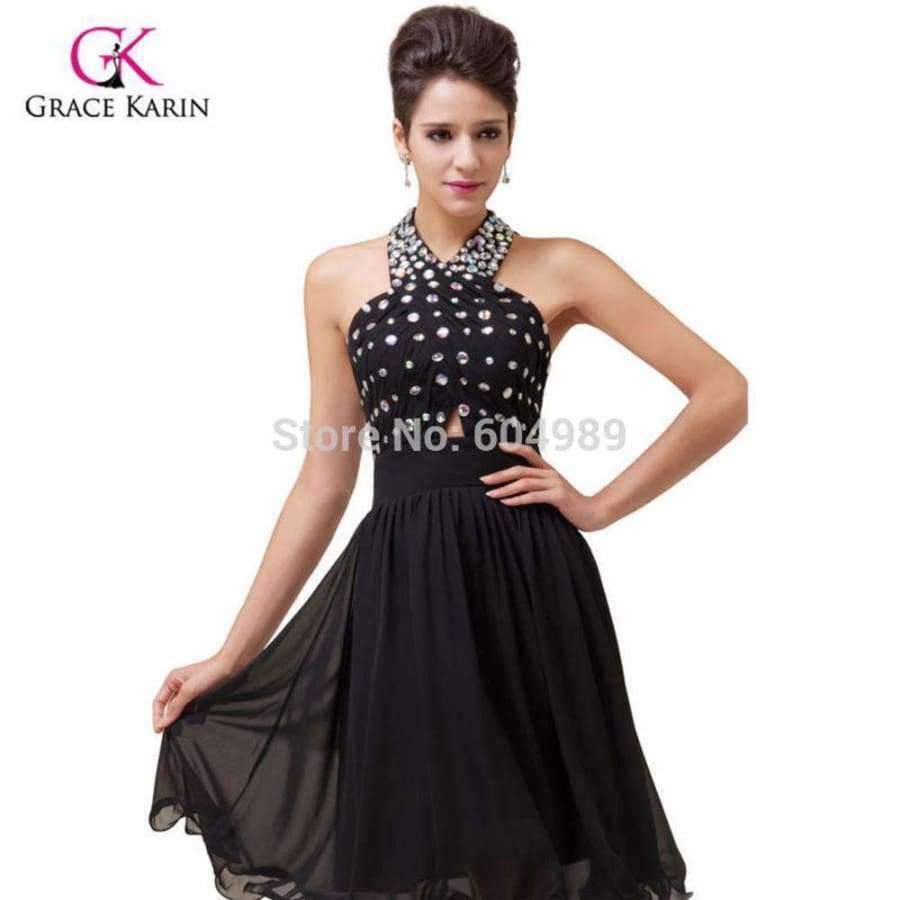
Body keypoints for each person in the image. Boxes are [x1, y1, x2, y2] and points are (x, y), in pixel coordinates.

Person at [148, 6, 747, 899]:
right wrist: (233, 654)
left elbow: (722, 392)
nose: (466, 158)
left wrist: (597, 506)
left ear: (511, 137)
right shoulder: (336, 278)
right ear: (400, 139)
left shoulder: (563, 266)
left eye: (487, 133)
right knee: (411, 847)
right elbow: (325, 477)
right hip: (400, 591)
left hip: (526, 584)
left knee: (531, 851)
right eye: (440, 134)